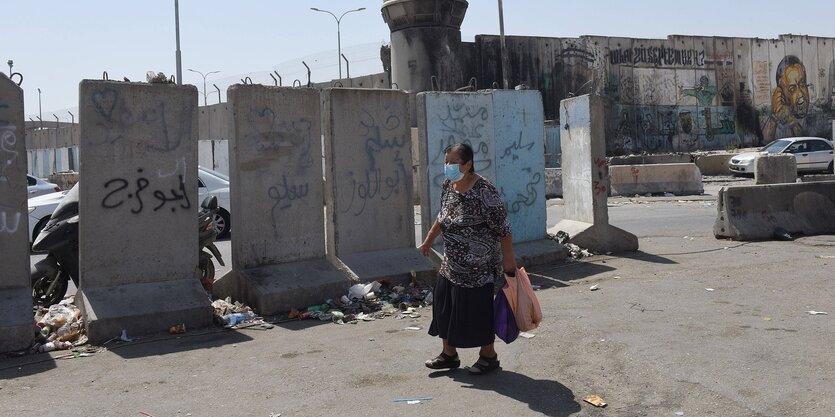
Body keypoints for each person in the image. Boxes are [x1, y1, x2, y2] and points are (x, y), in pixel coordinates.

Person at [420, 143, 517, 375]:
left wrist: (509, 265)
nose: (447, 167)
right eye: (446, 162)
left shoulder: (484, 191)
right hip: (450, 264)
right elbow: (443, 216)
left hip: (479, 267)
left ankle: (488, 356)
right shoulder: (448, 186)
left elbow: (504, 230)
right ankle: (449, 355)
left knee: (478, 312)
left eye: (453, 163)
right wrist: (428, 239)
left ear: (468, 164)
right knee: (445, 308)